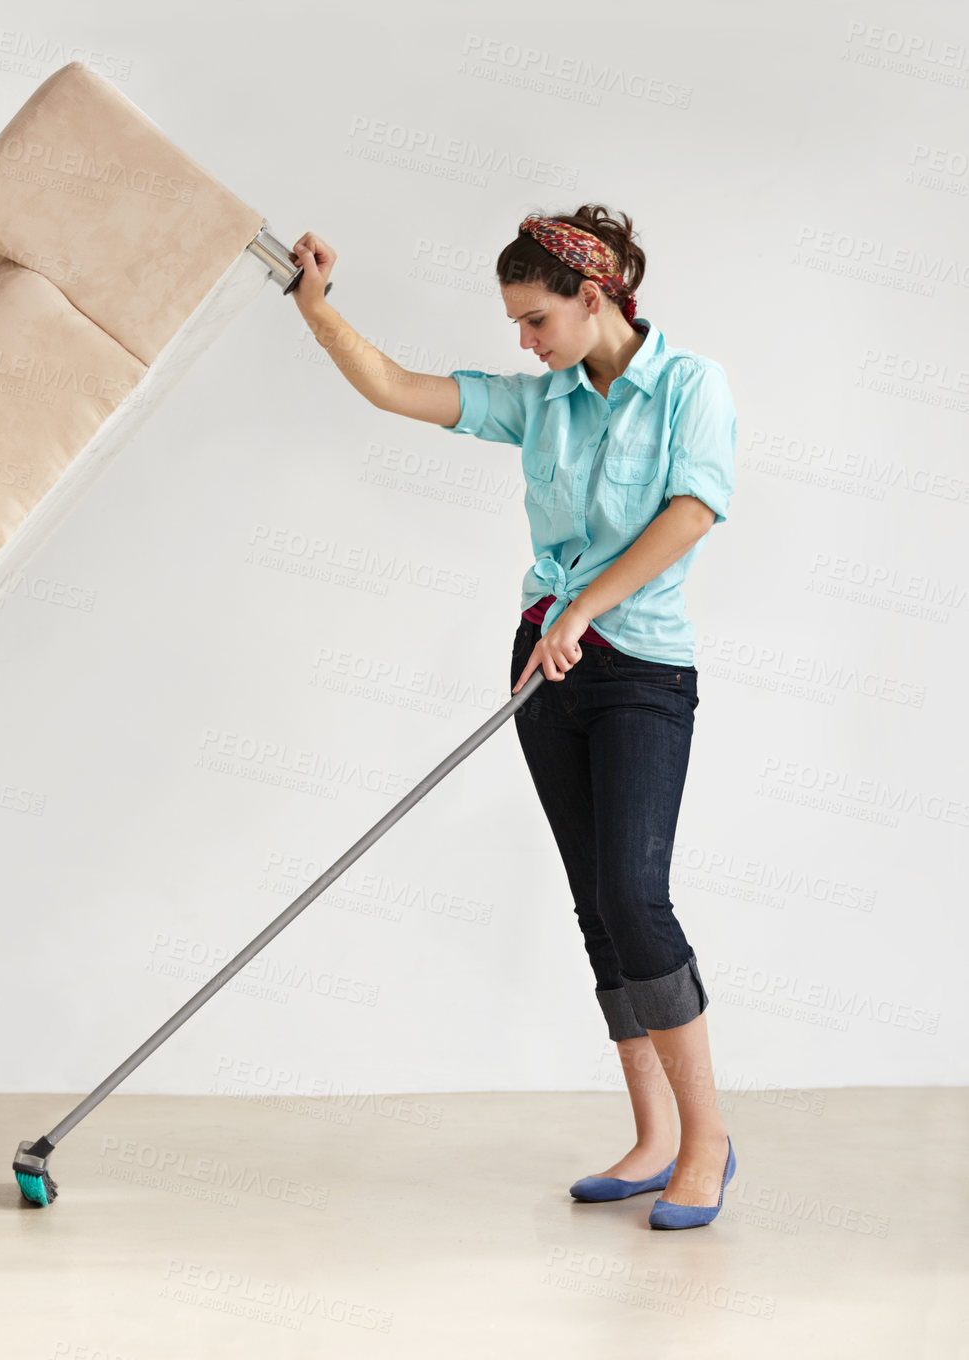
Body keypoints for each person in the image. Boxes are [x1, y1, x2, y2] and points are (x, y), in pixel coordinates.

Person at [286, 206, 738, 1229]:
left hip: (638, 673)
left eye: (534, 321)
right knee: (592, 902)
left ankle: (706, 1139)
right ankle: (653, 1135)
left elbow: (690, 510)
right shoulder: (541, 406)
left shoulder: (689, 386)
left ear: (594, 296)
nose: (523, 344)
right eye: (515, 328)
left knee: (634, 893)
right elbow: (397, 387)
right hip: (543, 668)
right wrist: (317, 311)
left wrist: (583, 604)